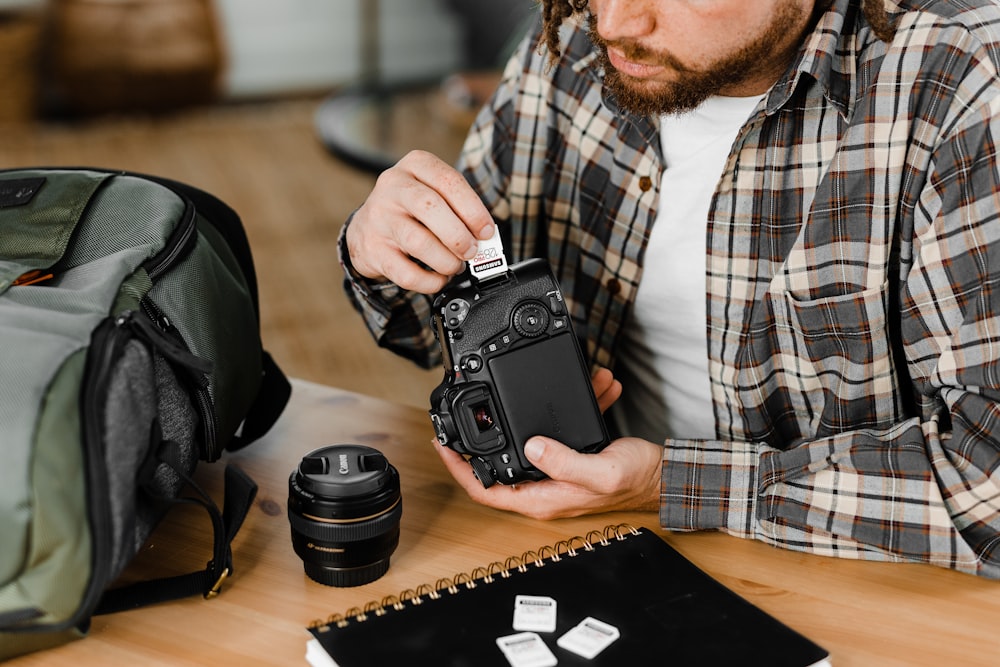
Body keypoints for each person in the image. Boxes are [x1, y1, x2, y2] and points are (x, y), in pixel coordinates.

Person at [338, 0, 1000, 579]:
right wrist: (379, 248)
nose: (618, 24)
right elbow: (438, 332)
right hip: (583, 542)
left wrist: (670, 482)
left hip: (862, 581)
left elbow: (989, 488)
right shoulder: (576, 43)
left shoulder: (963, 81)